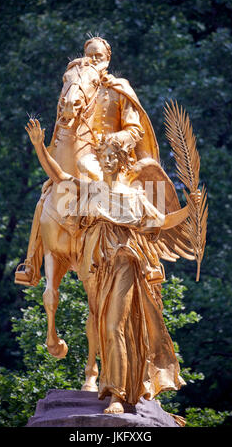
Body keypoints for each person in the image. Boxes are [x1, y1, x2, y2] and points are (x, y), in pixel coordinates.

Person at [25, 118, 201, 416]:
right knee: (100, 325)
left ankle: (116, 395)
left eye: (112, 156)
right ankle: (30, 261)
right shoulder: (89, 190)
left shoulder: (135, 196)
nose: (106, 160)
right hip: (96, 266)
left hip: (124, 263)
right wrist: (39, 145)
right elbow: (58, 176)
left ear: (122, 161)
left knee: (113, 325)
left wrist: (190, 209)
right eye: (103, 155)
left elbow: (162, 221)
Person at [15, 37, 161, 286]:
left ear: (108, 58)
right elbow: (65, 118)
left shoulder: (119, 88)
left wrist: (114, 141)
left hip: (111, 158)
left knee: (128, 195)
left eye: (98, 55)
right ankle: (30, 264)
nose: (94, 59)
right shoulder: (78, 82)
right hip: (77, 152)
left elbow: (135, 130)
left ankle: (150, 260)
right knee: (47, 195)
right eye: (89, 54)